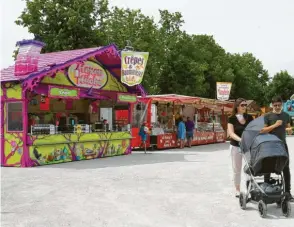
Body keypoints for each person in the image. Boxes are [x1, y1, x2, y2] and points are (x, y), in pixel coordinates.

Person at [260, 96, 293, 201]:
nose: (277, 107)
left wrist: (289, 130)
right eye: (275, 105)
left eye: (279, 105)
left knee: (286, 167)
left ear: (282, 104)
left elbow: (288, 127)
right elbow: (263, 130)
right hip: (270, 145)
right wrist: (274, 125)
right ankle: (266, 189)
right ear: (272, 105)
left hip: (282, 145)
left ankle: (287, 192)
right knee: (268, 166)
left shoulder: (286, 115)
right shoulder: (267, 116)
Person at [227, 98, 253, 198]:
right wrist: (241, 139)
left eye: (245, 105)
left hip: (247, 147)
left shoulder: (249, 117)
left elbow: (253, 130)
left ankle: (249, 189)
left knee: (249, 168)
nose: (244, 107)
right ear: (237, 106)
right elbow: (231, 133)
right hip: (235, 147)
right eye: (242, 105)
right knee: (237, 169)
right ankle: (237, 189)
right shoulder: (232, 118)